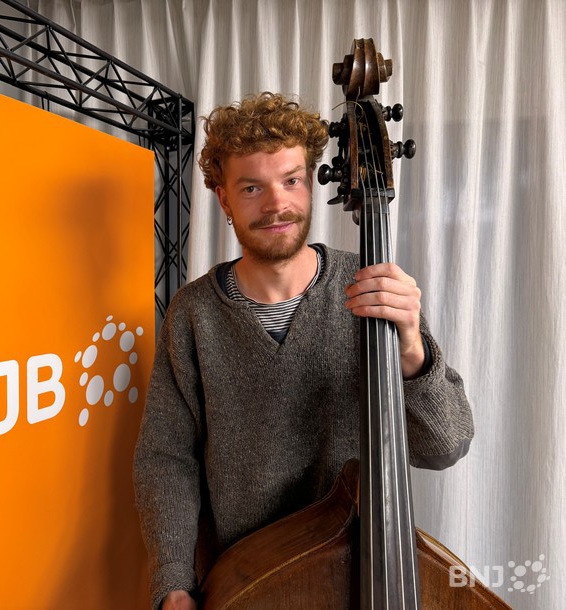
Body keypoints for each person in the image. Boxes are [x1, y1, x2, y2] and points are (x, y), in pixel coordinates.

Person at [132, 92, 473, 610]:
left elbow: (444, 447)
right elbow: (166, 456)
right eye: (252, 187)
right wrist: (174, 581)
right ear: (223, 198)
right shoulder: (193, 313)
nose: (277, 205)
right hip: (247, 583)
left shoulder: (374, 291)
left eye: (291, 180)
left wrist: (410, 350)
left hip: (363, 574)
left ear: (312, 182)